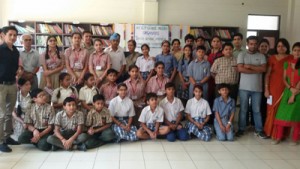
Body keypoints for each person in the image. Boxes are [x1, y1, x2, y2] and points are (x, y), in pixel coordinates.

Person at [236, 36, 267, 139]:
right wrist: (256, 70)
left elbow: (263, 69)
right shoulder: (242, 54)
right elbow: (240, 69)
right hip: (244, 87)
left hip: (257, 88)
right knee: (243, 109)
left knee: (257, 110)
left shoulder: (261, 56)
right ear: (247, 44)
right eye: (251, 44)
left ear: (257, 44)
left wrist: (249, 66)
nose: (253, 46)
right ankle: (241, 129)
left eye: (255, 44)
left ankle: (259, 130)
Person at [264, 38, 293, 139]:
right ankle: (270, 132)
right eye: (279, 46)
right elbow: (267, 74)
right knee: (271, 109)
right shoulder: (272, 58)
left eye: (283, 46)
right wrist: (266, 89)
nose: (281, 48)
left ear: (287, 47)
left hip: (286, 88)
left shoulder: (291, 58)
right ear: (276, 47)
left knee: (283, 110)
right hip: (273, 88)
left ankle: (281, 134)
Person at [272, 42, 300, 145]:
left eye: (299, 50)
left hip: (298, 93)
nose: (297, 52)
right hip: (288, 91)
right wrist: (290, 88)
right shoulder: (287, 63)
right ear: (292, 51)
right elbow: (284, 79)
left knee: (296, 116)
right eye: (295, 50)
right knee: (281, 114)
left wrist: (294, 94)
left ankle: (295, 139)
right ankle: (278, 137)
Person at [0, 26, 21, 152]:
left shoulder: (15, 51)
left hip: (12, 84)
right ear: (3, 35)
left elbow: (15, 67)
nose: (13, 37)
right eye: (10, 35)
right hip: (1, 85)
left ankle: (7, 137)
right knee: (1, 114)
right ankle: (1, 141)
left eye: (15, 35)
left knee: (9, 113)